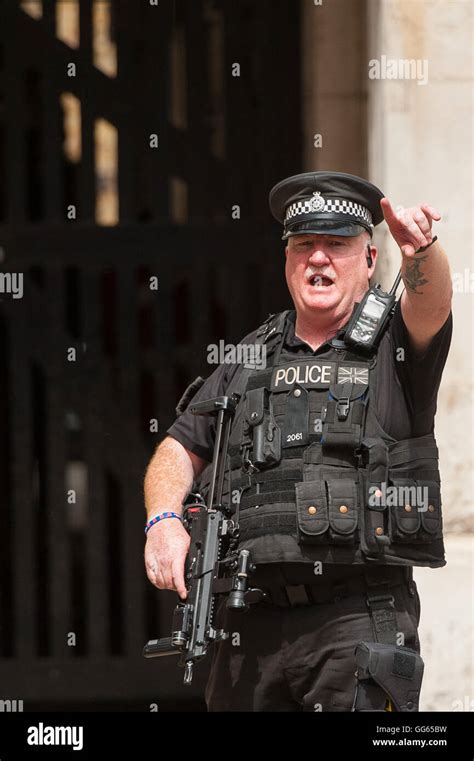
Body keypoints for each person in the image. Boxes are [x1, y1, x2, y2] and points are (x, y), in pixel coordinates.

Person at [143, 171, 452, 712]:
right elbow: (178, 446)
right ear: (287, 260)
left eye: (336, 245)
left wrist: (421, 254)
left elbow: (432, 304)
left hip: (356, 620)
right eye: (304, 245)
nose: (318, 259)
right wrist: (162, 520)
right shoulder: (249, 357)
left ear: (370, 259)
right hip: (249, 630)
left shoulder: (395, 345)